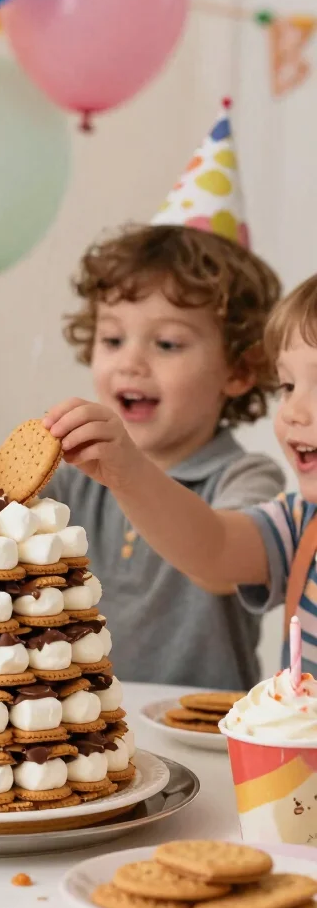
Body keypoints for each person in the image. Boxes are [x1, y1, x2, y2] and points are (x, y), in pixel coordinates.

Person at [42, 105, 284, 690]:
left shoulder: (247, 479)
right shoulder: (73, 479)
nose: (131, 361)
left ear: (240, 369)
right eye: (112, 338)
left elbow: (218, 558)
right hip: (77, 740)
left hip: (206, 748)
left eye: (169, 342)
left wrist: (128, 471)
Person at [46, 273, 317, 683]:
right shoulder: (300, 525)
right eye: (288, 386)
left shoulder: (247, 476)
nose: (293, 411)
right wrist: (129, 473)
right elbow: (216, 547)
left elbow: (215, 570)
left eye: (168, 343)